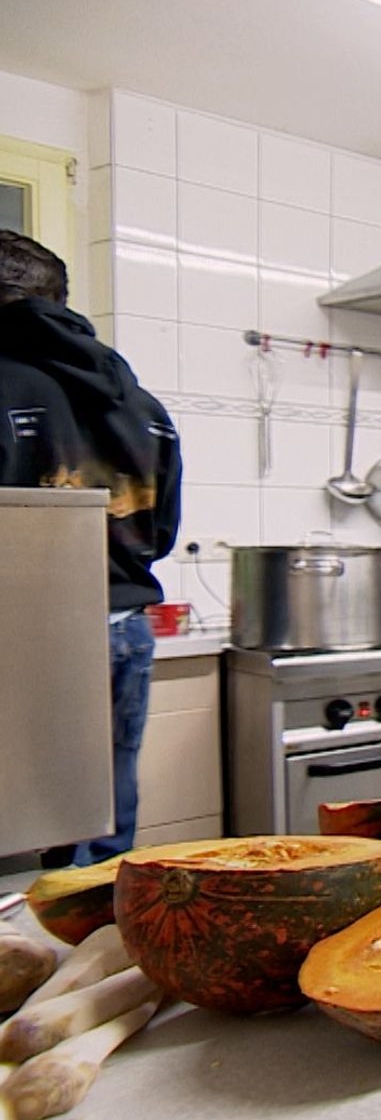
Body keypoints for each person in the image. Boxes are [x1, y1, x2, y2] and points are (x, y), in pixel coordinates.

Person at [0, 230, 182, 866]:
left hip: (22, 637)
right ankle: (97, 950)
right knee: (100, 824)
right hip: (123, 628)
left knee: (18, 841)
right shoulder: (143, 403)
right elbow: (159, 534)